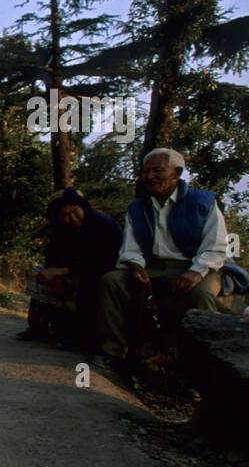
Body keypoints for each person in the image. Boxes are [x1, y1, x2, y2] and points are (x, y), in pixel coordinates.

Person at [94, 147, 235, 374]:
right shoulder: (138, 207)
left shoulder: (203, 202)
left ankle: (199, 372)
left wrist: (196, 271)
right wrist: (135, 265)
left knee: (202, 295)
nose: (150, 177)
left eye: (157, 171)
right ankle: (112, 353)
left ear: (176, 173)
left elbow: (217, 246)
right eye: (146, 171)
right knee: (112, 281)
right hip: (153, 267)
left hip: (196, 267)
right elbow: (131, 246)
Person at [19, 187, 121, 350]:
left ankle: (84, 338)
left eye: (75, 211)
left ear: (82, 207)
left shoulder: (103, 225)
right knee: (38, 273)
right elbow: (52, 254)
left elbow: (104, 261)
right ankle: (39, 326)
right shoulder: (61, 230)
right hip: (71, 272)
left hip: (100, 273)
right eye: (65, 215)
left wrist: (62, 272)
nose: (72, 218)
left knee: (90, 284)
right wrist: (54, 272)